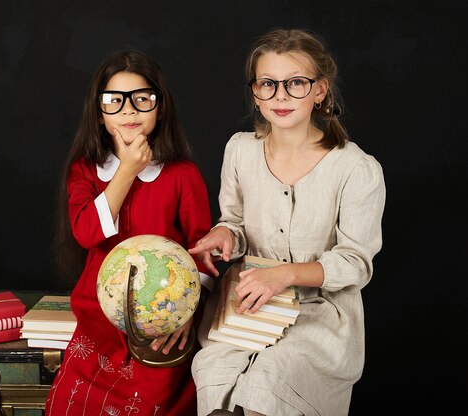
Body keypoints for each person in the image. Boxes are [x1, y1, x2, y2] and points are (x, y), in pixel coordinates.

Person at [188, 28, 386, 416]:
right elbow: (236, 222)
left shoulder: (356, 168)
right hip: (248, 307)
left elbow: (356, 263)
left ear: (320, 91)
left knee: (273, 375)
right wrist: (225, 233)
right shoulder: (240, 150)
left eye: (296, 83)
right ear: (255, 92)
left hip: (320, 316)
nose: (280, 95)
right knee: (215, 369)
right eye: (268, 84)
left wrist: (285, 274)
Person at [45, 49, 214, 416]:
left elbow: (203, 248)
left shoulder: (182, 174)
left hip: (163, 321)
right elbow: (87, 233)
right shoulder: (86, 171)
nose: (128, 111)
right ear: (99, 113)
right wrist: (126, 170)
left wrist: (186, 311)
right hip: (99, 321)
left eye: (141, 99)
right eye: (114, 101)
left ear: (160, 108)